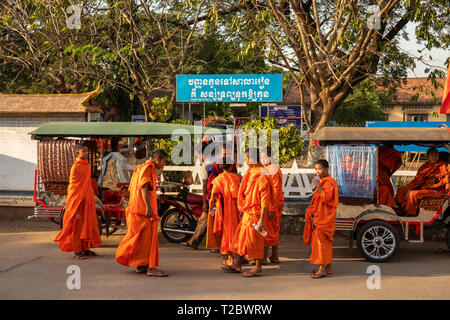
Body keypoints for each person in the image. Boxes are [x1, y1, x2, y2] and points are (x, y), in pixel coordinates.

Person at [115, 149, 168, 277]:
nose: (163, 165)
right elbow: (143, 187)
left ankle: (141, 264)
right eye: (163, 162)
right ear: (158, 159)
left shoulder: (140, 168)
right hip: (143, 211)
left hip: (136, 209)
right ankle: (151, 268)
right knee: (148, 240)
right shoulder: (148, 168)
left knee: (140, 240)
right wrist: (148, 207)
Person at [224, 148, 272, 277]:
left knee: (255, 239)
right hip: (247, 211)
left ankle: (258, 267)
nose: (245, 162)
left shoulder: (262, 175)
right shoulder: (251, 172)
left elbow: (265, 199)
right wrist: (242, 207)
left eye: (246, 159)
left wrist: (262, 218)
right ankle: (237, 263)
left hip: (256, 213)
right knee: (242, 237)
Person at [54, 142, 102, 260]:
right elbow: (75, 187)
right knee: (77, 226)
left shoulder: (86, 165)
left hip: (86, 200)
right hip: (77, 201)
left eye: (87, 151)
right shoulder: (76, 166)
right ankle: (77, 251)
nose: (86, 153)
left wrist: (94, 197)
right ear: (77, 152)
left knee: (87, 225)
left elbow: (87, 184)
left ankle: (85, 248)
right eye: (83, 151)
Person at [181, 140, 220, 249]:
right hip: (220, 194)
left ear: (202, 153)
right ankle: (195, 242)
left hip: (211, 196)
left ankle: (199, 243)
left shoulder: (204, 165)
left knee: (206, 218)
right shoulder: (215, 160)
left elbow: (205, 186)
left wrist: (205, 202)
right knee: (211, 219)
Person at [303, 159, 339, 279]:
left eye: (320, 169)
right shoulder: (323, 181)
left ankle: (322, 269)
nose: (317, 171)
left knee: (320, 243)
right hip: (321, 215)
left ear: (327, 169)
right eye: (316, 169)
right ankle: (328, 267)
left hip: (324, 217)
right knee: (325, 243)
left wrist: (318, 186)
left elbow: (326, 198)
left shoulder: (329, 182)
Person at [394, 147, 449, 216]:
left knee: (413, 194)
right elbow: (417, 181)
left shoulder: (443, 166)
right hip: (424, 189)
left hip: (436, 191)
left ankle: (410, 214)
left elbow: (446, 179)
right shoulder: (424, 167)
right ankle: (400, 209)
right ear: (427, 156)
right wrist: (409, 188)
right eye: (432, 155)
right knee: (402, 190)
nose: (434, 157)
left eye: (436, 155)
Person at [208, 158, 242, 269]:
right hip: (238, 208)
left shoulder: (218, 179)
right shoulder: (238, 178)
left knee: (227, 232)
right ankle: (239, 257)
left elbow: (213, 194)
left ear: (220, 167)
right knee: (238, 231)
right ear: (232, 166)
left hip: (225, 209)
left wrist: (212, 205)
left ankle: (231, 259)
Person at [260, 149, 284, 265]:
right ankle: (274, 256)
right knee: (273, 230)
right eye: (261, 158)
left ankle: (263, 258)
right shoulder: (268, 169)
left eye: (265, 158)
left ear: (271, 157)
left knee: (267, 231)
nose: (263, 160)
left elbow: (275, 189)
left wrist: (271, 208)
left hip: (272, 204)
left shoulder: (273, 169)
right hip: (272, 203)